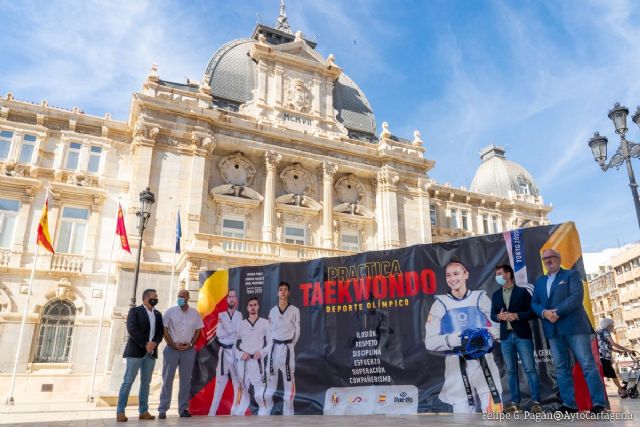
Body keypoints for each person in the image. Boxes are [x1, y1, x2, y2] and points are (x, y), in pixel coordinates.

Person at [531, 249, 606, 414]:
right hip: (553, 329)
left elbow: (576, 297)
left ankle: (598, 403)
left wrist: (555, 312)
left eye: (551, 257)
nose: (548, 261)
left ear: (559, 258)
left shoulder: (571, 275)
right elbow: (534, 303)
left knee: (587, 364)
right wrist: (544, 313)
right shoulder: (540, 282)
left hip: (575, 327)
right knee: (561, 368)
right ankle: (569, 404)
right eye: (545, 259)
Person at [425, 258, 503, 413]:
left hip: (483, 362)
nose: (452, 279)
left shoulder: (481, 298)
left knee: (494, 412)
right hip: (456, 363)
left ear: (466, 274)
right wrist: (453, 339)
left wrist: (492, 332)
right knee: (463, 415)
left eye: (456, 273)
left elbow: (499, 330)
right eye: (448, 275)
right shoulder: (440, 303)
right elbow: (430, 342)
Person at [490, 264, 543, 413]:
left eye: (499, 273)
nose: (497, 277)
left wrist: (517, 315)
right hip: (505, 338)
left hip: (522, 336)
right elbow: (492, 315)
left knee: (530, 369)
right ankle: (515, 403)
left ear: (508, 274)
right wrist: (498, 316)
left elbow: (532, 312)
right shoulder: (495, 295)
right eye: (496, 274)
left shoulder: (522, 292)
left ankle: (536, 402)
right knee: (511, 371)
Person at [116, 289, 164, 422]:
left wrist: (154, 343)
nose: (156, 299)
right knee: (128, 381)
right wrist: (145, 344)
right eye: (154, 296)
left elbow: (160, 332)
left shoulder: (158, 314)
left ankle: (143, 411)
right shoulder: (135, 311)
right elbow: (132, 329)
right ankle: (120, 412)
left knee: (146, 383)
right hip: (136, 352)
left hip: (151, 353)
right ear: (146, 298)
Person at [158, 289, 204, 419]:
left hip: (188, 351)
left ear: (188, 298)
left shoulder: (195, 314)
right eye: (178, 296)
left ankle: (183, 409)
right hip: (171, 349)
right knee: (167, 379)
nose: (180, 298)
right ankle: (163, 409)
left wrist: (190, 344)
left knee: (185, 381)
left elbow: (198, 332)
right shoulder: (170, 312)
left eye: (182, 297)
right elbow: (165, 330)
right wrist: (173, 344)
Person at [264, 281, 300, 416]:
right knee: (270, 381)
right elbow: (269, 332)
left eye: (285, 289)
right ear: (278, 293)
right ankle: (266, 411)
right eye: (281, 289)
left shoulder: (295, 310)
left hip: (287, 348)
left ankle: (288, 413)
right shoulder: (272, 311)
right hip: (274, 349)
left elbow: (298, 331)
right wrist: (271, 346)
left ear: (288, 293)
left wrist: (290, 345)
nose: (283, 291)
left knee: (289, 382)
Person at [233, 297, 270, 416]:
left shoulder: (265, 322)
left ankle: (263, 409)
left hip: (257, 361)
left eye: (255, 305)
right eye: (250, 305)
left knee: (259, 389)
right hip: (243, 361)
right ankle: (242, 408)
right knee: (243, 387)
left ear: (258, 307)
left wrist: (262, 352)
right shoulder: (241, 324)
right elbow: (232, 344)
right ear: (247, 308)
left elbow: (271, 342)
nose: (253, 307)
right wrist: (240, 354)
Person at [208, 289, 242, 416]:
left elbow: (239, 334)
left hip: (234, 352)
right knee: (219, 385)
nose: (231, 299)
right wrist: (231, 331)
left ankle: (235, 411)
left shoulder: (239, 315)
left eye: (234, 296)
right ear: (227, 300)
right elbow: (218, 334)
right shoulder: (221, 315)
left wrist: (227, 330)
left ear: (236, 300)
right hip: (223, 353)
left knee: (237, 383)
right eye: (230, 296)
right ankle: (212, 413)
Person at [596, 317, 636, 397]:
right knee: (612, 374)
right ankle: (621, 391)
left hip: (600, 357)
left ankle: (619, 389)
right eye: (611, 325)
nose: (612, 327)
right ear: (607, 325)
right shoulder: (605, 331)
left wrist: (618, 351)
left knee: (607, 374)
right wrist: (627, 350)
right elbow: (613, 343)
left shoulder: (599, 331)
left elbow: (606, 346)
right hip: (604, 357)